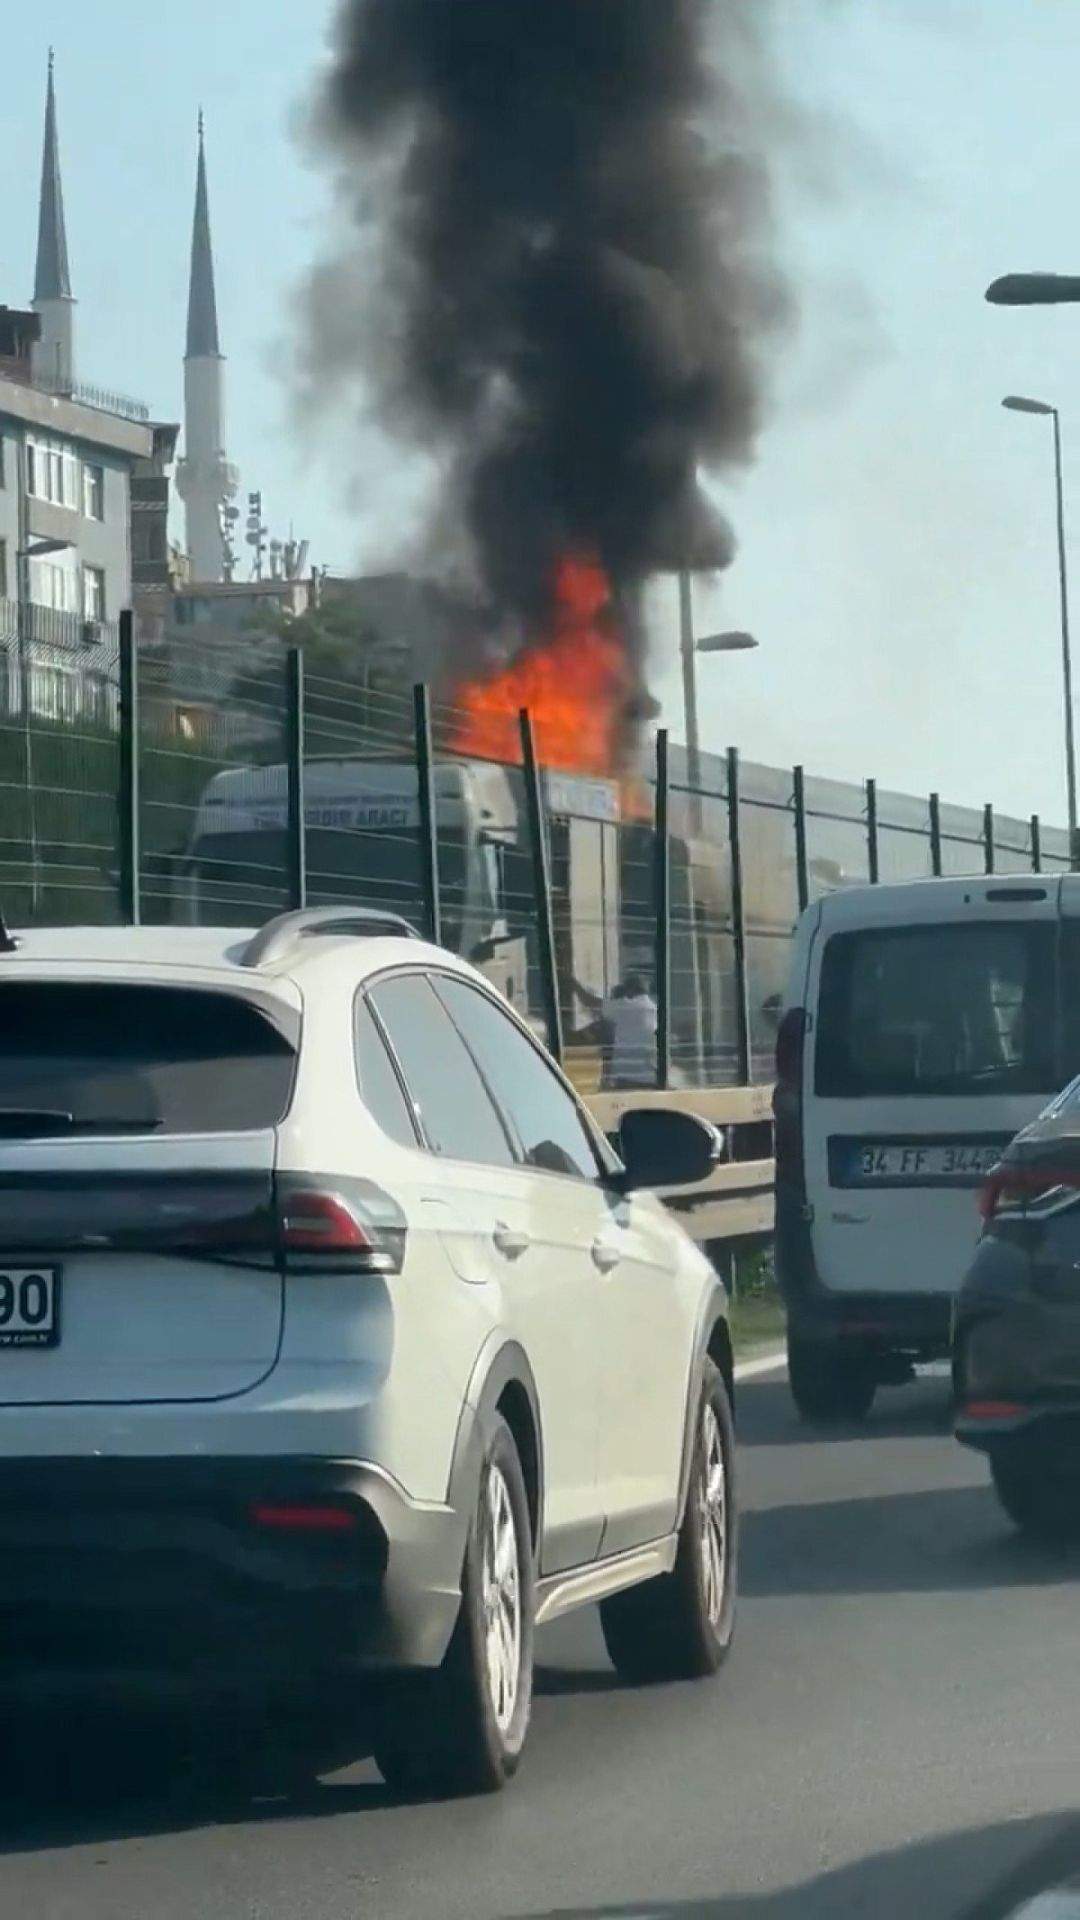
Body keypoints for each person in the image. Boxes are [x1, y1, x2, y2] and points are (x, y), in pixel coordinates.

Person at [572, 972, 658, 1089]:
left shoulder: (626, 1006)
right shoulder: (655, 1010)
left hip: (628, 1077)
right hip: (652, 1078)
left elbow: (590, 1002)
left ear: (630, 991)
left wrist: (573, 983)